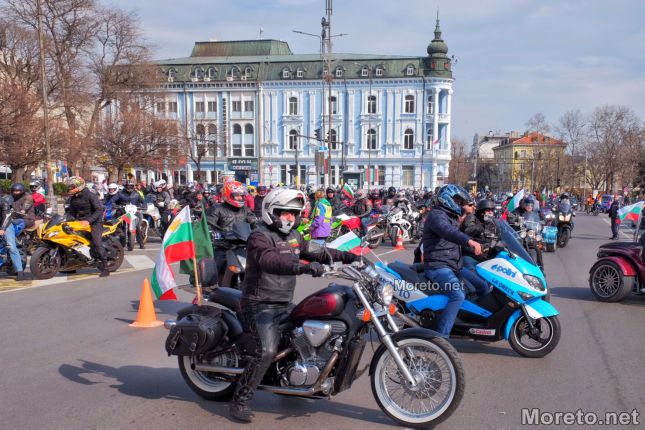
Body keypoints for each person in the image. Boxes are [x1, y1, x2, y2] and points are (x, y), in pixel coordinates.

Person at [229, 187, 358, 422]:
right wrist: (301, 267)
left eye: (294, 213)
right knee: (266, 351)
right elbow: (269, 260)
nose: (290, 217)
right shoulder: (259, 236)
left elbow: (318, 251)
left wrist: (352, 257)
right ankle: (240, 400)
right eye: (285, 212)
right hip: (259, 305)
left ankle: (294, 379)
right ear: (272, 212)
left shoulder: (295, 236)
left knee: (307, 334)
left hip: (283, 302)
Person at [422, 184, 482, 338]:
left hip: (454, 265)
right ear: (448, 199)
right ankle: (442, 338)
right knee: (458, 295)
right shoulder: (437, 215)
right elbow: (448, 232)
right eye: (458, 201)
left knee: (482, 286)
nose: (460, 204)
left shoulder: (451, 215)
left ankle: (470, 322)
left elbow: (456, 238)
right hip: (438, 266)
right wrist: (469, 241)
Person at [206, 181, 257, 285]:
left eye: (242, 195)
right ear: (227, 195)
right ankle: (213, 286)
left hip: (242, 246)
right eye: (237, 195)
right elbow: (208, 224)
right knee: (215, 270)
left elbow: (253, 222)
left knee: (255, 268)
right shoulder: (217, 209)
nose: (240, 198)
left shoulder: (245, 210)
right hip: (224, 247)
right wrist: (215, 233)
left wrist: (259, 228)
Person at [65, 177, 109, 277]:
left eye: (72, 187)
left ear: (79, 186)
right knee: (70, 239)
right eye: (70, 187)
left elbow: (99, 210)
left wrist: (89, 220)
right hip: (81, 221)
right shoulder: (73, 198)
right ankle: (72, 265)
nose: (70, 189)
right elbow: (71, 213)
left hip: (95, 222)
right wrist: (67, 220)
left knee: (97, 243)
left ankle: (105, 267)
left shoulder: (90, 195)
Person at [460, 199, 498, 298]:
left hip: (486, 256)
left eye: (492, 210)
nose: (490, 212)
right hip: (471, 255)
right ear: (481, 212)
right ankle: (473, 298)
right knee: (476, 285)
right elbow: (468, 229)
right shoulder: (472, 217)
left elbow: (501, 233)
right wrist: (482, 227)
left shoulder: (492, 222)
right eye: (488, 210)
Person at [0, 184, 35, 280]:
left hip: (10, 223)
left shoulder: (4, 202)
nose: (16, 192)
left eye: (18, 191)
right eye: (14, 191)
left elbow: (6, 217)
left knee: (11, 246)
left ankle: (20, 271)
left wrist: (2, 229)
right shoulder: (9, 198)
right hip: (12, 219)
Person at [111, 181, 145, 250]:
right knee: (115, 223)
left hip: (133, 212)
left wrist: (144, 206)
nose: (129, 188)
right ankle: (113, 239)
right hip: (122, 211)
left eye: (131, 186)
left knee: (137, 226)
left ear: (133, 187)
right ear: (125, 186)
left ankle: (141, 244)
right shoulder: (120, 193)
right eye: (128, 186)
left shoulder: (136, 193)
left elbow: (143, 201)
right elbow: (112, 200)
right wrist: (115, 205)